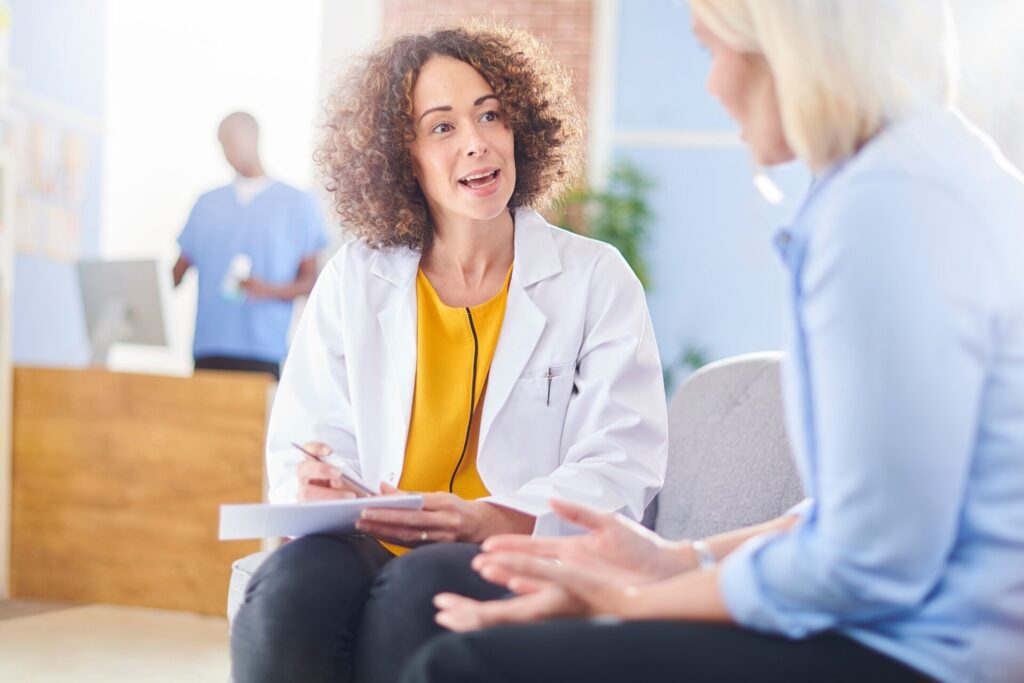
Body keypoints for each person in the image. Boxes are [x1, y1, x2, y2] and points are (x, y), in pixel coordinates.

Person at [405, 2, 1024, 682]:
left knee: (464, 665)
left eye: (712, 50)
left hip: (927, 655)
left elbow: (870, 557)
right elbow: (881, 507)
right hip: (932, 634)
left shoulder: (880, 207)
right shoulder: (932, 168)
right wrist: (684, 560)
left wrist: (637, 602)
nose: (712, 85)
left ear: (785, 49)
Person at [229, 22, 668, 683]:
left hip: (511, 549)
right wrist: (317, 484)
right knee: (294, 583)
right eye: (442, 126)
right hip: (367, 541)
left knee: (424, 587)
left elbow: (624, 457)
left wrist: (495, 516)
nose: (477, 142)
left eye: (491, 114)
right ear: (405, 157)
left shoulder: (594, 278)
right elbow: (312, 431)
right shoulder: (357, 277)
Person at [172, 112, 327, 380]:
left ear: (253, 137)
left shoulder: (296, 204)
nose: (228, 152)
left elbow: (312, 282)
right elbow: (176, 273)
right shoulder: (206, 204)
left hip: (263, 352)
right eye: (222, 144)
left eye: (232, 140)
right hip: (208, 348)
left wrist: (266, 290)